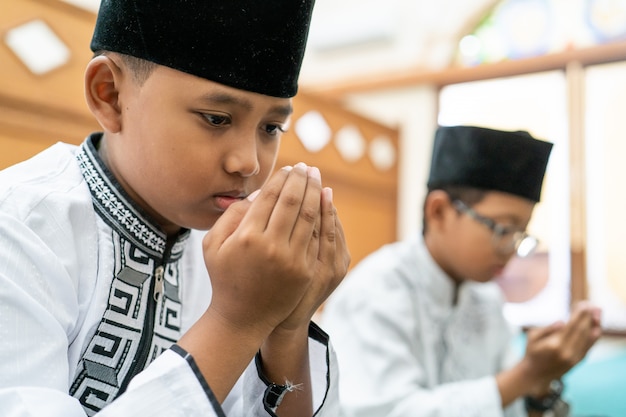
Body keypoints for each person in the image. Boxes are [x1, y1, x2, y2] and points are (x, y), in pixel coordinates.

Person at [0, 1, 351, 416]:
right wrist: (235, 323)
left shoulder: (241, 253)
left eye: (271, 128)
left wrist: (287, 326)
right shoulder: (21, 226)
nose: (249, 162)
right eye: (217, 118)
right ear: (109, 95)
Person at [321, 125, 602, 417]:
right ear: (439, 211)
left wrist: (540, 382)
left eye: (520, 235)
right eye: (503, 228)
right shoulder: (376, 291)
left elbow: (512, 406)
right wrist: (526, 374)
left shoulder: (487, 297)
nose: (510, 250)